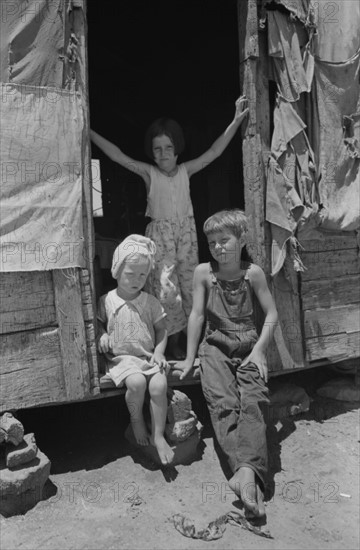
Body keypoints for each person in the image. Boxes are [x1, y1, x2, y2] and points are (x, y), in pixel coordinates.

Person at [90, 96, 249, 360]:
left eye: (168, 147)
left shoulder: (186, 170)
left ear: (177, 148)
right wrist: (89, 130)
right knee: (166, 291)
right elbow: (117, 155)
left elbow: (214, 152)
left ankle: (191, 344)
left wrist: (234, 121)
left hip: (185, 235)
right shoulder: (148, 173)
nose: (163, 154)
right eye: (157, 149)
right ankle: (170, 342)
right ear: (151, 152)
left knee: (189, 287)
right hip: (161, 236)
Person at [178, 209, 278, 520]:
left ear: (241, 239)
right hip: (215, 346)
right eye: (212, 242)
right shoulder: (204, 274)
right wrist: (190, 357)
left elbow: (272, 315)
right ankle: (249, 473)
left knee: (255, 398)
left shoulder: (254, 274)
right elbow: (196, 316)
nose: (219, 247)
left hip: (249, 345)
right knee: (223, 403)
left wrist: (260, 351)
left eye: (225, 240)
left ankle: (244, 475)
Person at [97, 234, 174, 465]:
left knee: (159, 385)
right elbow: (99, 323)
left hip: (147, 356)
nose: (136, 279)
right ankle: (136, 419)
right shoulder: (107, 300)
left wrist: (159, 353)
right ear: (117, 271)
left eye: (142, 274)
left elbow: (162, 330)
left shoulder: (150, 302)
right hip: (121, 359)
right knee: (137, 383)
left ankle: (159, 435)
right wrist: (102, 335)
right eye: (130, 273)